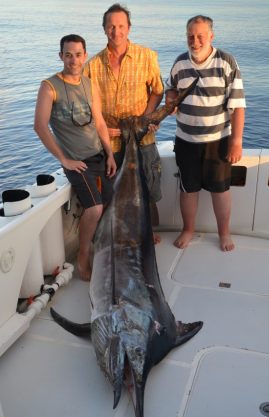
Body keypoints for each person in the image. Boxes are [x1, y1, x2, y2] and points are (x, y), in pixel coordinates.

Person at [34, 34, 117, 281]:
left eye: (78, 54)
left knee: (111, 205)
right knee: (95, 209)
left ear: (85, 55)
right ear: (61, 56)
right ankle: (83, 257)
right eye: (68, 54)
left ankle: (104, 251)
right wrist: (64, 160)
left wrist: (110, 153)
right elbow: (40, 126)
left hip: (99, 156)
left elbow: (100, 122)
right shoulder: (49, 87)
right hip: (76, 162)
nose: (73, 60)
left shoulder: (90, 84)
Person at [83, 3, 164, 243]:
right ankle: (117, 237)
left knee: (148, 190)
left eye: (120, 26)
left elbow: (158, 91)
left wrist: (146, 118)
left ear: (128, 28)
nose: (116, 31)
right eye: (111, 27)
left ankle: (149, 233)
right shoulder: (92, 66)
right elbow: (85, 106)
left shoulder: (147, 56)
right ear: (104, 29)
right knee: (113, 193)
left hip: (143, 138)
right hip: (110, 143)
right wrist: (98, 127)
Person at [165, 15, 246, 251]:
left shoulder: (226, 62)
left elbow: (238, 105)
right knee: (188, 189)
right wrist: (171, 100)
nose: (195, 40)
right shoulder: (180, 63)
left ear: (211, 36)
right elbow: (170, 90)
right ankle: (188, 229)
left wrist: (236, 141)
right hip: (185, 140)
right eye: (191, 35)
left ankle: (224, 233)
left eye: (200, 35)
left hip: (218, 141)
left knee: (220, 189)